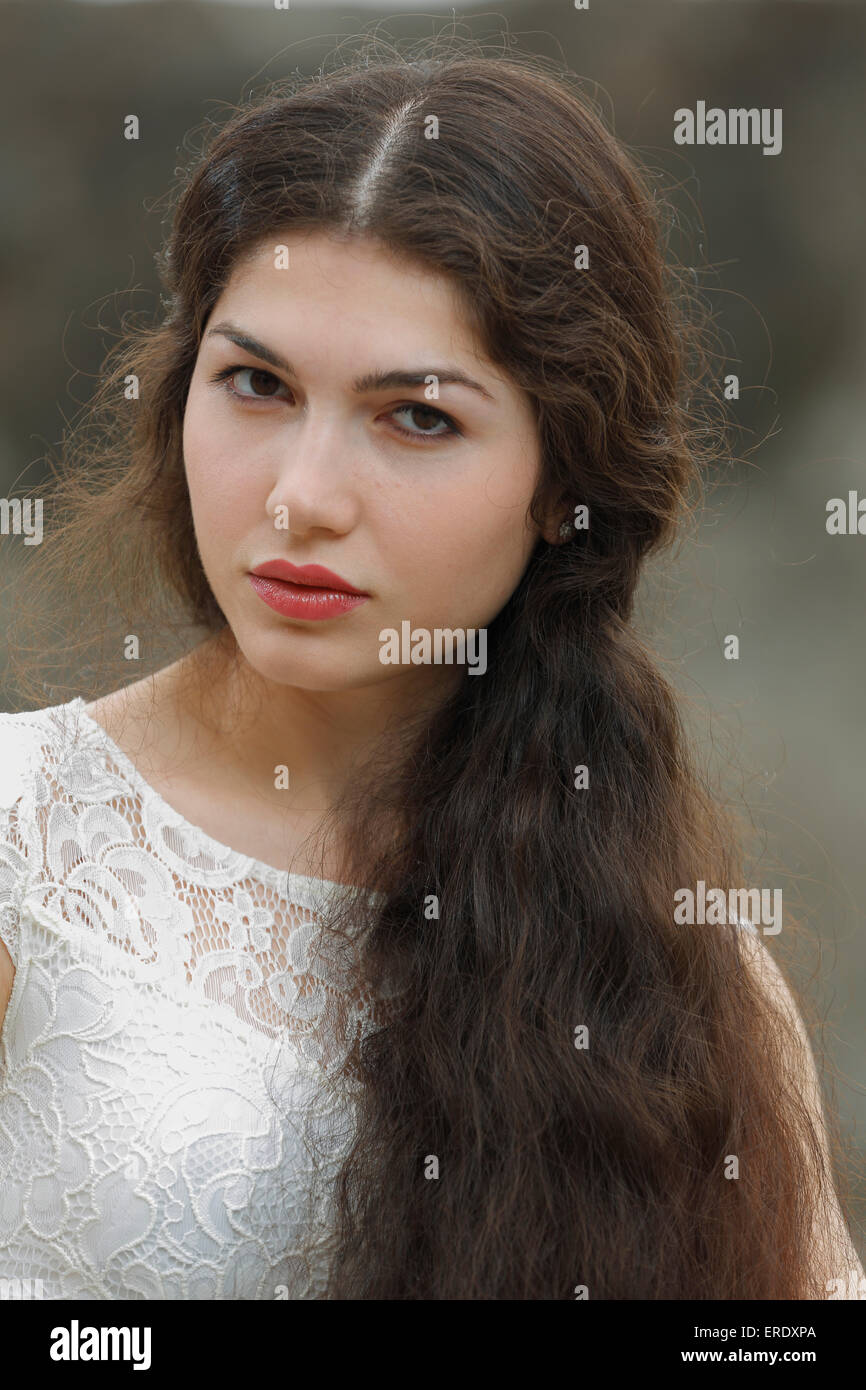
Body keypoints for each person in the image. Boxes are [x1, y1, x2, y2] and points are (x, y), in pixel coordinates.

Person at [0, 40, 862, 1300]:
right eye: (254, 384)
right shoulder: (24, 837)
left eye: (417, 417)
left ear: (561, 480)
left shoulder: (673, 959)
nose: (299, 498)